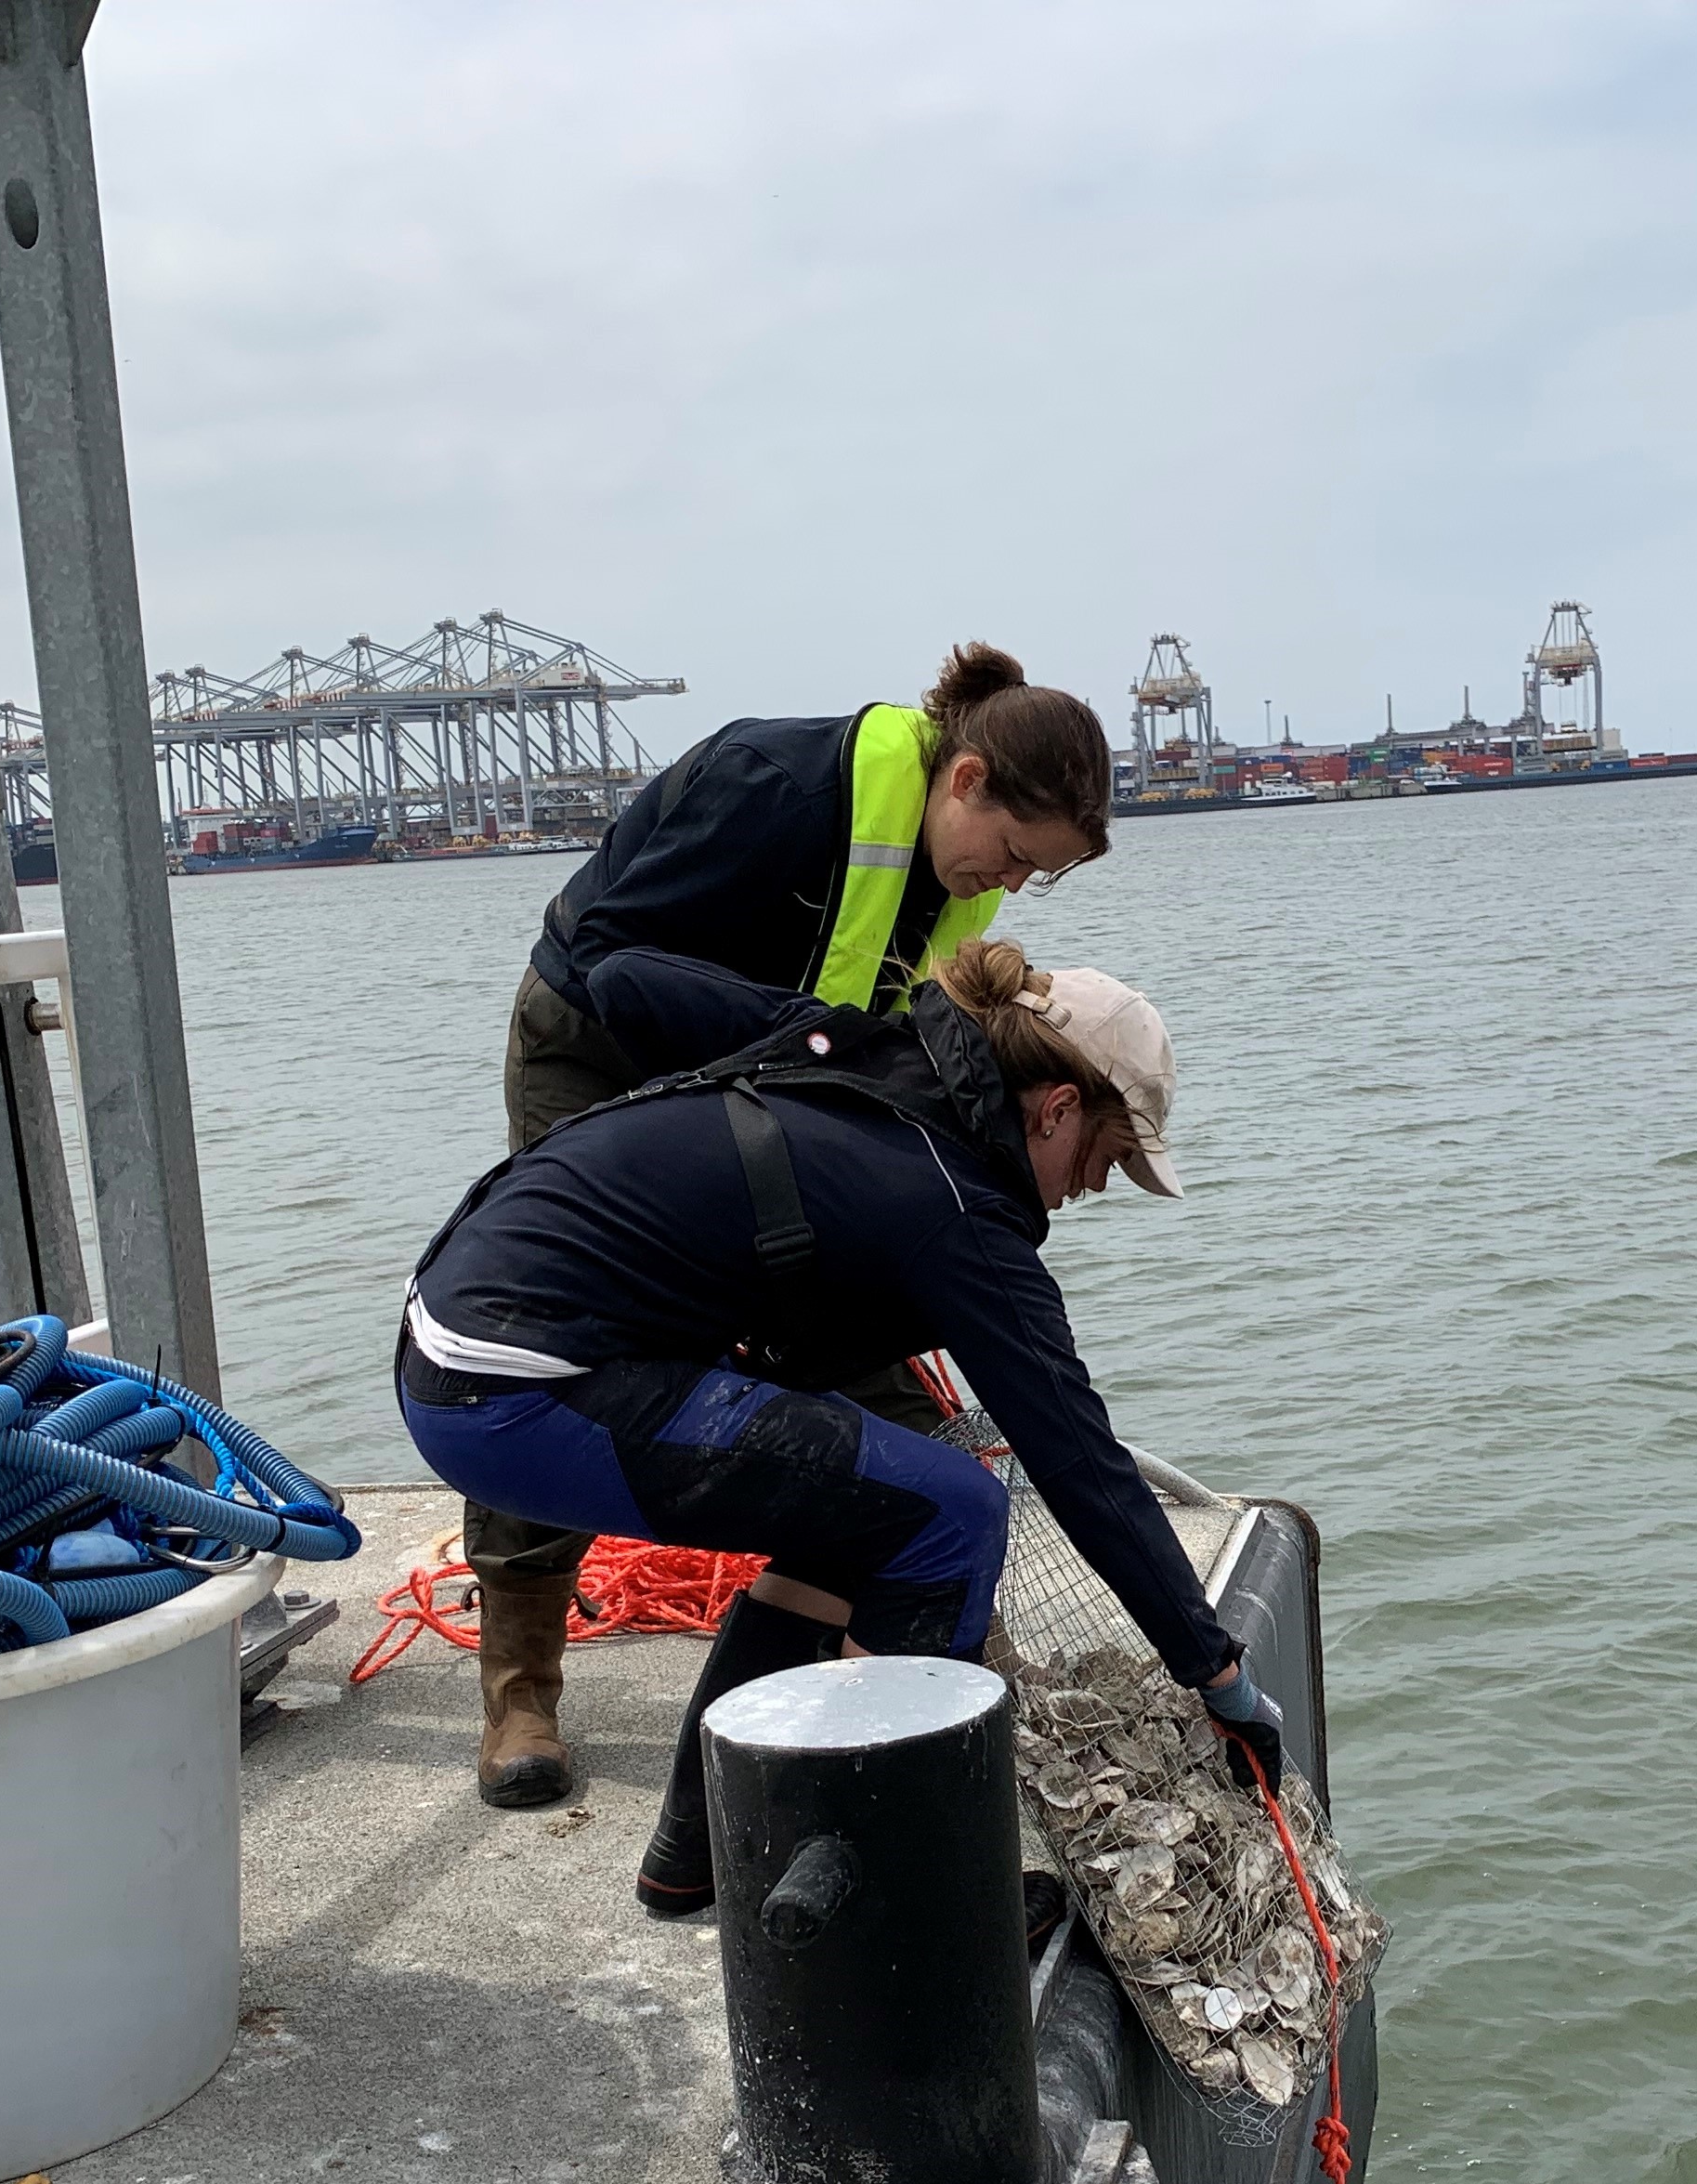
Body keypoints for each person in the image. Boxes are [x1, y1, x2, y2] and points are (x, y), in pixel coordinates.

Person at [398, 935, 1282, 1919]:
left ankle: (698, 1855)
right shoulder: (958, 1213)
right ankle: (912, 1887)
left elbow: (619, 978)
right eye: (1110, 1157)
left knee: (868, 1511)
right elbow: (1079, 1460)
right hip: (530, 1390)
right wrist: (1217, 1672)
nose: (1096, 1186)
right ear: (1057, 1107)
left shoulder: (849, 1047)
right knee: (953, 1514)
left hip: (449, 1337)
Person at [459, 642, 1116, 1812]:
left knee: (868, 1353)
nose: (1011, 885)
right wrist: (808, 1036)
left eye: (1039, 876)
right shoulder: (771, 782)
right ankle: (520, 1686)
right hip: (597, 1054)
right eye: (1016, 855)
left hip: (765, 1094)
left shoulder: (959, 871)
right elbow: (608, 961)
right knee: (559, 1337)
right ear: (964, 779)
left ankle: (931, 1623)